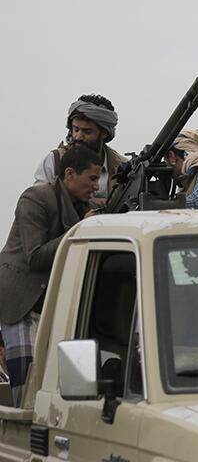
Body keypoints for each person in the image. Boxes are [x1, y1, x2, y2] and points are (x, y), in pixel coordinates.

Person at [0, 144, 103, 405]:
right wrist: (81, 228)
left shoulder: (82, 205)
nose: (96, 186)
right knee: (27, 387)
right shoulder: (35, 199)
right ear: (69, 174)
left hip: (51, 307)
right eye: (92, 178)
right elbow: (34, 257)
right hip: (21, 304)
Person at [34, 94, 125, 209]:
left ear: (104, 133)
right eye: (76, 129)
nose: (78, 137)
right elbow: (39, 202)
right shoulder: (54, 161)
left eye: (87, 132)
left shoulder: (120, 166)